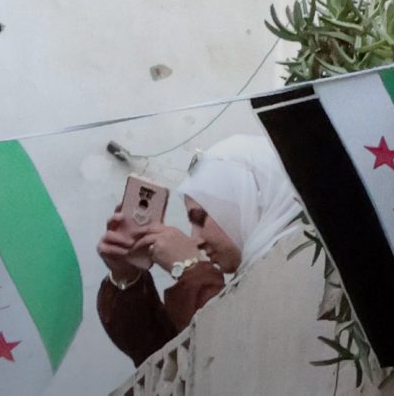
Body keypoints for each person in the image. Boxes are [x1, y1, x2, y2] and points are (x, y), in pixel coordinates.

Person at [96, 135, 300, 364]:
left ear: (250, 200)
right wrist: (126, 276)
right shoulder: (252, 279)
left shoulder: (307, 265)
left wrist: (191, 269)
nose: (195, 239)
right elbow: (160, 356)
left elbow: (234, 355)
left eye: (200, 218)